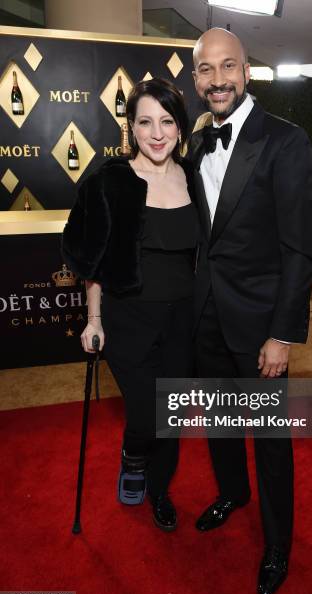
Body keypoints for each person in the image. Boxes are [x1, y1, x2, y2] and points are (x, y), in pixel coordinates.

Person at [188, 28, 312, 594]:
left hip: (261, 324)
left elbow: (300, 247)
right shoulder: (195, 145)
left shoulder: (286, 141)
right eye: (204, 70)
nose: (217, 80)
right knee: (219, 422)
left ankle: (277, 544)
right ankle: (232, 493)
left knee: (269, 440)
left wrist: (283, 335)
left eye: (228, 67)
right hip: (206, 317)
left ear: (247, 72)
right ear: (195, 78)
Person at [62, 78, 198, 531]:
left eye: (166, 121)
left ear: (179, 127)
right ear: (131, 128)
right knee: (145, 414)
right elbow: (93, 261)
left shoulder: (194, 178)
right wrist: (93, 319)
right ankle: (133, 456)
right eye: (145, 122)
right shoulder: (109, 181)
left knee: (172, 414)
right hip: (129, 320)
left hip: (183, 321)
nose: (156, 133)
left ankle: (159, 489)